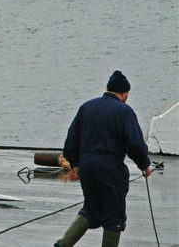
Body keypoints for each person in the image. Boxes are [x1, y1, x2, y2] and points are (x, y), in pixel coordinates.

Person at [54, 70, 152, 247]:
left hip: (88, 168)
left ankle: (64, 243)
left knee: (91, 210)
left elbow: (71, 139)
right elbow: (135, 144)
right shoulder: (124, 111)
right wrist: (145, 164)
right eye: (127, 94)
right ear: (123, 93)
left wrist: (75, 164)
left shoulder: (87, 107)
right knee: (114, 216)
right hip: (111, 169)